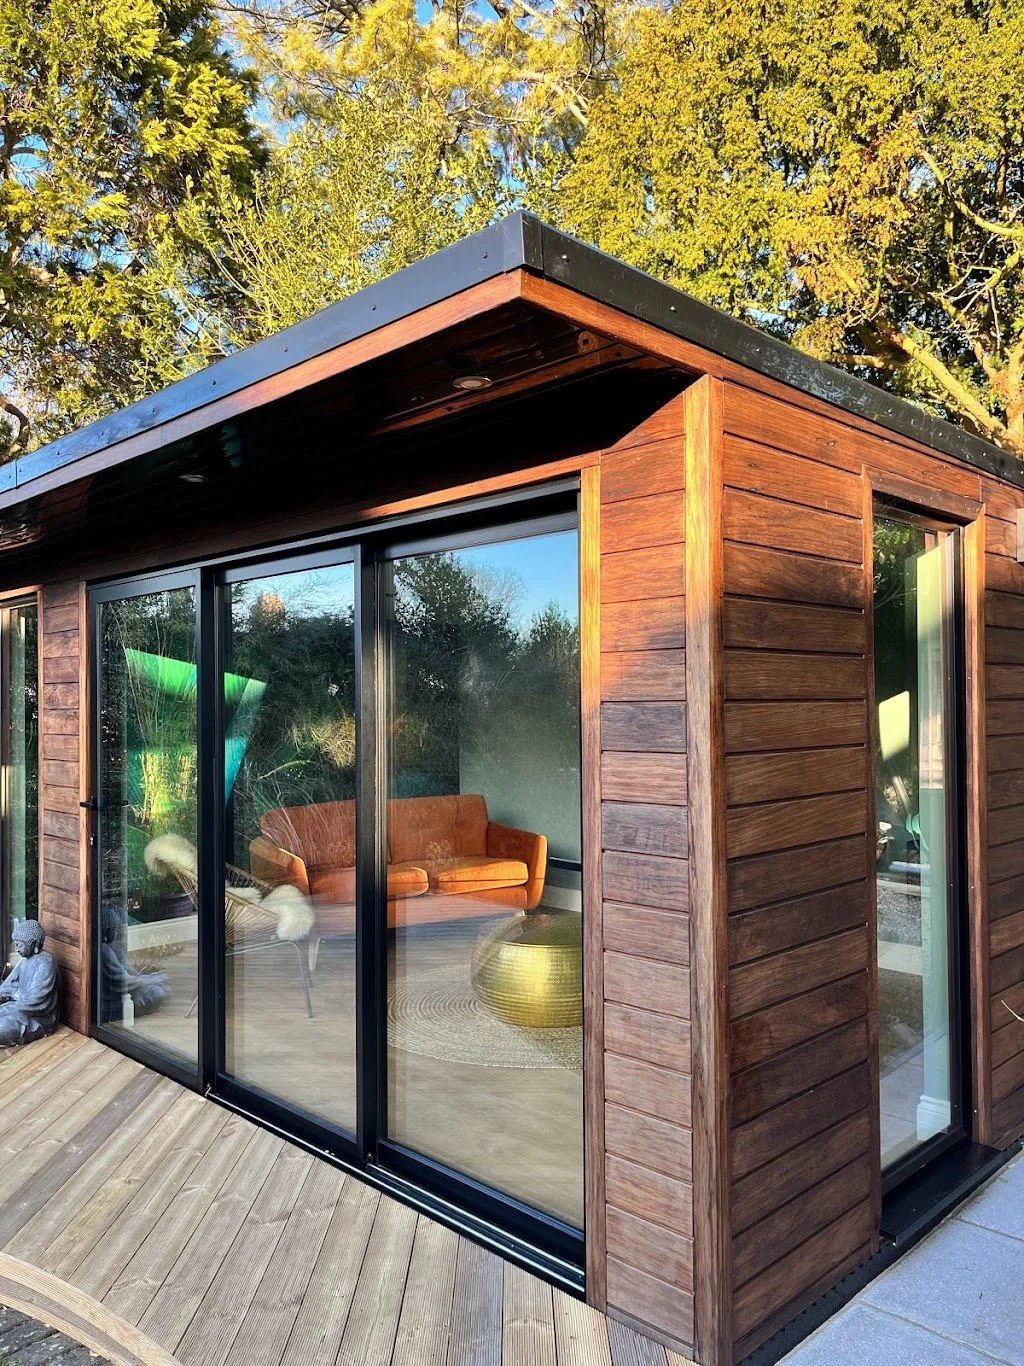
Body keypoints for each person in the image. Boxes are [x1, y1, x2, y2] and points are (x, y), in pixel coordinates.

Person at [99, 906, 170, 1022]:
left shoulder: (109, 948)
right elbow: (125, 982)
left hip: (119, 994)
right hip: (110, 1007)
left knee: (156, 987)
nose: (117, 933)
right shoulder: (104, 951)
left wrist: (149, 978)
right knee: (158, 993)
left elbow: (131, 973)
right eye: (115, 930)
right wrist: (155, 979)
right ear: (108, 930)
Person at [0, 919, 60, 1046]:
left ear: (35, 944)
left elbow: (35, 1000)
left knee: (4, 1027)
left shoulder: (45, 963)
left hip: (38, 1017)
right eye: (15, 944)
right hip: (17, 1007)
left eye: (20, 945)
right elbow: (8, 984)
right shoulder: (24, 960)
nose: (16, 949)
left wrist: (14, 994)